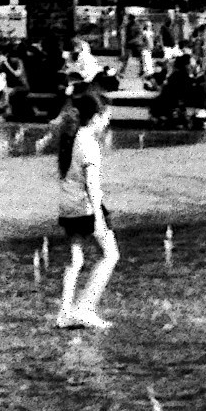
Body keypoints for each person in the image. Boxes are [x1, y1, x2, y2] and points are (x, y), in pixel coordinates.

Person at [53, 86, 118, 330]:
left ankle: (65, 313)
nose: (108, 121)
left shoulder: (73, 135)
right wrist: (99, 218)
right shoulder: (89, 143)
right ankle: (85, 308)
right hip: (85, 206)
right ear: (98, 116)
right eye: (107, 116)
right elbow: (91, 183)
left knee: (75, 259)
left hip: (67, 205)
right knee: (110, 255)